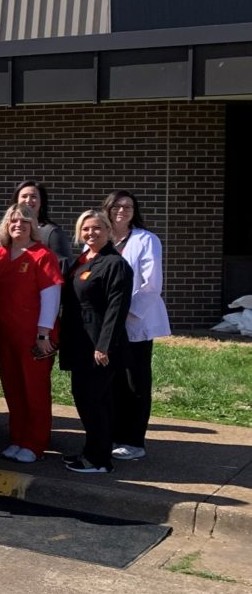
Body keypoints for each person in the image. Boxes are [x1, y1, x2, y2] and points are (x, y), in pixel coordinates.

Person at [59, 210, 134, 475]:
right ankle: (91, 451)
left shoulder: (115, 264)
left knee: (92, 401)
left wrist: (104, 346)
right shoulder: (82, 260)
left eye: (97, 228)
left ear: (108, 230)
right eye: (86, 229)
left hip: (98, 346)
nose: (91, 233)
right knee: (91, 400)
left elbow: (117, 308)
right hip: (79, 343)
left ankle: (100, 459)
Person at [0, 203, 63, 464]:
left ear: (33, 226)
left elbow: (51, 295)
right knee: (13, 388)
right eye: (13, 221)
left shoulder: (42, 255)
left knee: (34, 389)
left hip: (34, 337)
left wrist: (43, 334)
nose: (18, 225)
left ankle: (35, 443)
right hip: (4, 334)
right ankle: (18, 437)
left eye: (24, 221)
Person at [105, 190, 170, 461]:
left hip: (135, 322)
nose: (122, 210)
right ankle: (115, 435)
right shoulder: (101, 238)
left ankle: (134, 441)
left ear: (135, 211)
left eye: (128, 206)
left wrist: (121, 313)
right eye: (117, 206)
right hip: (109, 326)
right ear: (107, 209)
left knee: (135, 381)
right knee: (114, 381)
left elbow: (151, 284)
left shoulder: (146, 240)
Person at [15, 179, 74, 267]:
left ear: (41, 201)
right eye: (24, 196)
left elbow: (63, 268)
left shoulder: (52, 232)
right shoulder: (12, 230)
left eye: (33, 196)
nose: (28, 200)